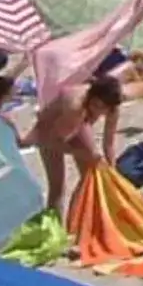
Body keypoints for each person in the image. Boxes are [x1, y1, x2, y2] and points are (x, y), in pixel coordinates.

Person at [28, 73, 122, 215]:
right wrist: (79, 153)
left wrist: (113, 171)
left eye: (104, 108)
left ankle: (79, 223)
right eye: (97, 106)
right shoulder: (74, 105)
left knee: (90, 179)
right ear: (92, 98)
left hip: (78, 125)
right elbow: (54, 141)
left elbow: (108, 144)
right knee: (57, 187)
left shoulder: (112, 107)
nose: (100, 111)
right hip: (49, 131)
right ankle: (56, 228)